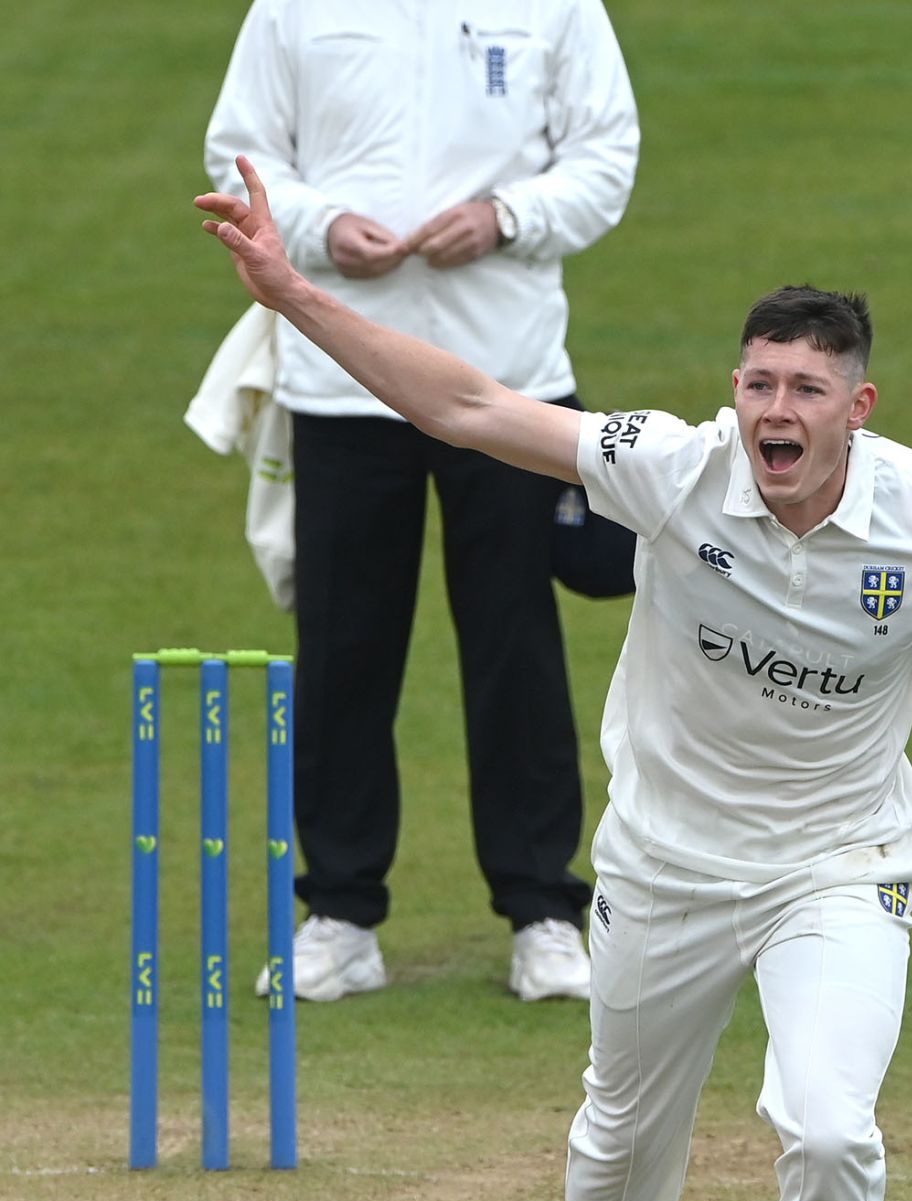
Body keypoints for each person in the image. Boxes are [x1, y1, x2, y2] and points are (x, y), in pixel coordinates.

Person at [198, 160, 912, 1201]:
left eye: (805, 389)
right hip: (664, 867)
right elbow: (466, 406)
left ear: (857, 407)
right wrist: (291, 292)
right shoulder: (673, 466)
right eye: (758, 383)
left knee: (831, 1129)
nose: (775, 410)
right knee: (620, 1137)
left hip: (837, 867)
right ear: (735, 392)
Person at [204, 0, 640, 1004]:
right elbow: (241, 154)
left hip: (509, 379)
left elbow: (605, 156)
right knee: (344, 644)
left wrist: (506, 217)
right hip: (341, 377)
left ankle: (541, 913)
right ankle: (340, 914)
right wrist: (318, 228)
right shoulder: (292, 8)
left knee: (514, 643)